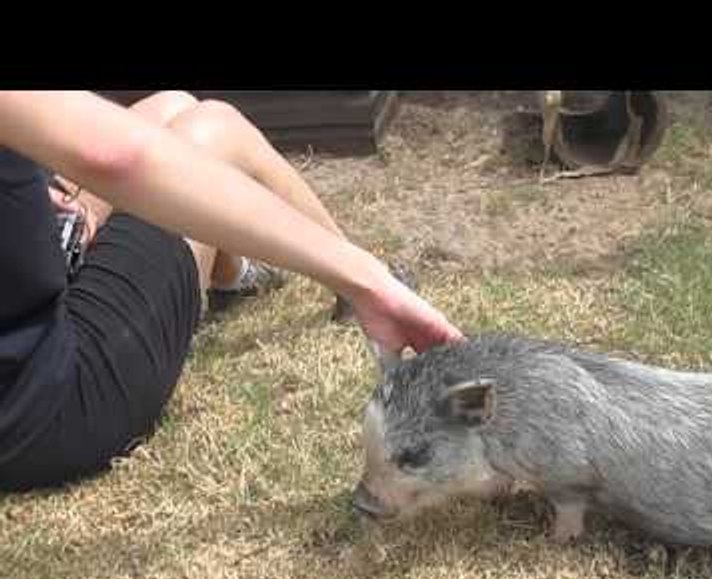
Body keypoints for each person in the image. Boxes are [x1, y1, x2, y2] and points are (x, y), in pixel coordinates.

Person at [0, 91, 463, 491]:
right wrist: (366, 279)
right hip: (40, 409)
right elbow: (115, 156)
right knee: (214, 129)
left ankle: (229, 272)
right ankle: (352, 284)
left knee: (171, 105)